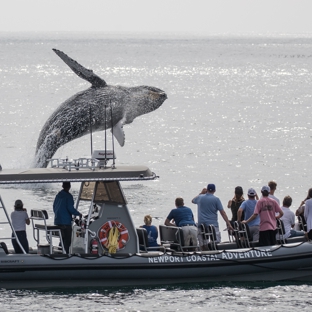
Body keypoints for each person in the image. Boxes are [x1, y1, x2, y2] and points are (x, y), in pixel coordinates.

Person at [192, 184, 233, 249]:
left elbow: (193, 200)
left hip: (201, 224)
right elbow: (223, 213)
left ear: (207, 190)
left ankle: (203, 253)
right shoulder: (216, 199)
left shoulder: (200, 197)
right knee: (216, 242)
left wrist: (201, 193)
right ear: (214, 190)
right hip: (213, 224)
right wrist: (228, 224)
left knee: (202, 243)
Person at [53, 182, 82, 253]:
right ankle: (65, 254)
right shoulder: (68, 196)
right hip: (65, 222)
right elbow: (70, 208)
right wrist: (78, 214)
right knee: (68, 239)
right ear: (69, 186)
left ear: (62, 186)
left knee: (62, 239)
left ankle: (59, 252)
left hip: (58, 220)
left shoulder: (58, 195)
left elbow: (54, 207)